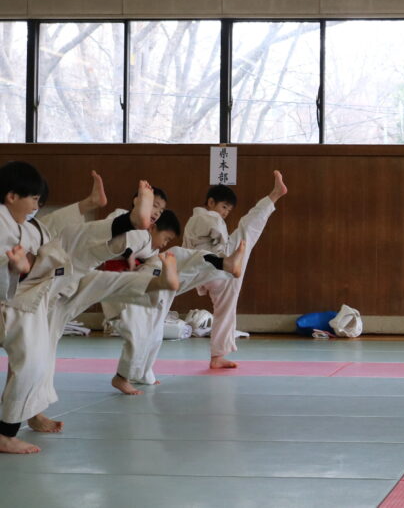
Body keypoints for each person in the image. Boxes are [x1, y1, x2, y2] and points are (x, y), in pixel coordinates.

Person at [0, 170, 178, 453]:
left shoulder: (25, 224)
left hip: (54, 285)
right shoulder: (4, 225)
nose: (36, 206)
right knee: (34, 360)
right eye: (33, 199)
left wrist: (87, 205)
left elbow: (51, 228)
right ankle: (8, 431)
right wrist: (18, 269)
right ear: (11, 196)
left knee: (83, 251)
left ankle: (31, 412)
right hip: (25, 297)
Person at [102, 209, 245, 395]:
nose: (164, 243)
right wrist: (129, 253)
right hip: (126, 297)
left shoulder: (151, 248)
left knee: (155, 334)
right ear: (153, 227)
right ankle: (121, 377)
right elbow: (120, 237)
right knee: (141, 335)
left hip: (149, 287)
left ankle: (223, 264)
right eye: (166, 238)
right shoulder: (134, 232)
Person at [182, 171, 287, 369]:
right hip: (220, 264)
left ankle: (218, 356)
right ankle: (274, 195)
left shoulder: (192, 222)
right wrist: (226, 251)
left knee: (225, 309)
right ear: (210, 202)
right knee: (246, 229)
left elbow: (188, 248)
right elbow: (218, 232)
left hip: (204, 272)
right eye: (223, 207)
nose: (225, 213)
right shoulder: (208, 216)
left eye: (228, 210)